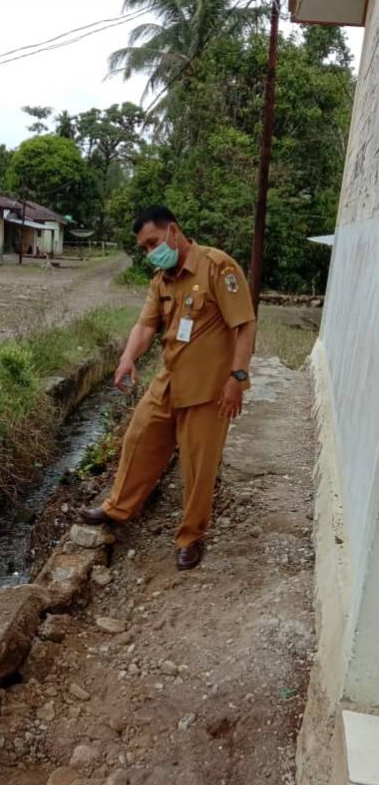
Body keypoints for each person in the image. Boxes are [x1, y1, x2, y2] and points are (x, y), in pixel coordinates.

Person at [80, 205, 256, 570]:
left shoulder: (217, 267)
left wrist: (237, 378)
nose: (150, 252)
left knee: (198, 466)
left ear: (173, 231)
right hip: (170, 380)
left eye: (153, 243)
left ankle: (191, 537)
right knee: (138, 437)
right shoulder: (161, 279)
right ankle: (117, 509)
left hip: (209, 390)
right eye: (144, 248)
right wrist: (128, 357)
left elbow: (245, 325)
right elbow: (146, 326)